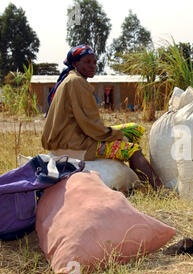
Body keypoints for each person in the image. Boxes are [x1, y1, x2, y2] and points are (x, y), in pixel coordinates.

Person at [41, 44, 162, 190]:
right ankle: (158, 190)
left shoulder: (70, 79)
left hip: (71, 138)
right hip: (73, 145)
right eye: (87, 62)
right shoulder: (76, 82)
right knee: (132, 150)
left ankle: (139, 182)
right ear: (75, 63)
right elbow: (91, 126)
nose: (93, 66)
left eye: (94, 62)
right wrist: (116, 135)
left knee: (134, 130)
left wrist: (116, 134)